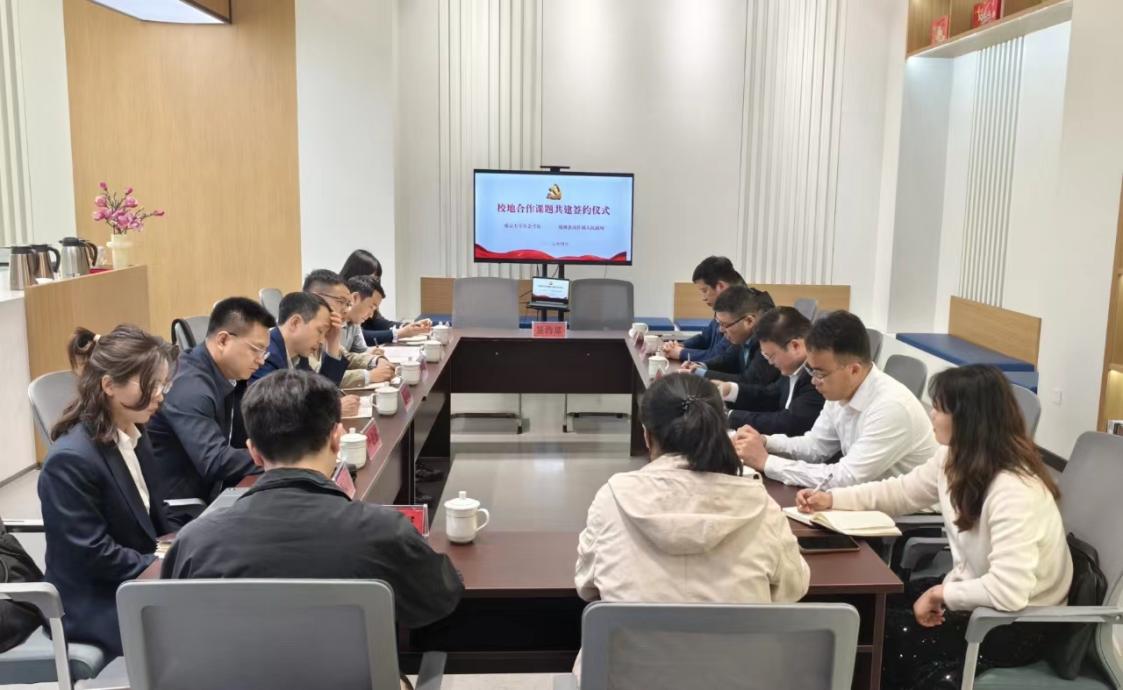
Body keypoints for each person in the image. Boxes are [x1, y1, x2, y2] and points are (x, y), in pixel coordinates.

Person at [795, 365, 1073, 689]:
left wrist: (941, 593)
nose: (931, 415)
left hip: (1015, 625)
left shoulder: (1013, 490)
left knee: (888, 637)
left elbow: (1009, 592)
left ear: (968, 420)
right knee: (867, 608)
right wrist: (832, 499)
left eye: (939, 408)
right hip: (975, 597)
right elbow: (900, 492)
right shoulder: (954, 458)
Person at [162, 369, 464, 630]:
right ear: (337, 438)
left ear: (253, 452)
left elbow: (172, 629)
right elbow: (439, 598)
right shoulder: (382, 531)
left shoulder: (194, 543)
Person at [575, 371, 809, 606]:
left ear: (647, 436)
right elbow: (793, 588)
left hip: (631, 632)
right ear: (720, 431)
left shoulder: (612, 498)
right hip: (738, 632)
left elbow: (586, 585)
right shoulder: (761, 505)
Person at [38, 325, 177, 656]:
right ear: (109, 385)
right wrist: (162, 563)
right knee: (201, 621)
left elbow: (155, 517)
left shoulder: (135, 433)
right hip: (92, 600)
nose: (160, 395)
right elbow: (92, 554)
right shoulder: (70, 461)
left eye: (163, 384)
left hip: (131, 578)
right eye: (151, 384)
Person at [733, 310, 938, 489]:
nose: (813, 381)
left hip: (909, 515)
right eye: (811, 371)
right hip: (867, 499)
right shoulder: (839, 392)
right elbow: (815, 447)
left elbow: (846, 477)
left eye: (820, 373)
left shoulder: (891, 407)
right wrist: (766, 441)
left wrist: (766, 462)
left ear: (854, 370)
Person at [148, 298, 275, 528]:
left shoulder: (230, 376)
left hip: (212, 496)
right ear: (223, 340)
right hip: (179, 511)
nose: (260, 360)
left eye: (264, 352)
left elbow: (246, 435)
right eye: (256, 349)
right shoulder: (190, 386)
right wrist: (282, 457)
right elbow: (214, 460)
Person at [721, 306, 824, 436]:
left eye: (771, 356)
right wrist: (730, 390)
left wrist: (729, 416)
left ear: (795, 346)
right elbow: (771, 395)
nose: (770, 362)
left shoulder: (819, 375)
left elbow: (790, 423)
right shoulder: (793, 367)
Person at [680, 285, 780, 390]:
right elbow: (727, 359)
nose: (720, 330)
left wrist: (700, 373)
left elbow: (749, 381)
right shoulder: (743, 335)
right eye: (719, 323)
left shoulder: (767, 341)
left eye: (724, 324)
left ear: (749, 321)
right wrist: (701, 366)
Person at [339, 249, 429, 345]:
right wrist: (399, 333)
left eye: (377, 279)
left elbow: (379, 323)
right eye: (372, 278)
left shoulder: (367, 299)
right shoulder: (340, 300)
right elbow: (360, 336)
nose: (375, 282)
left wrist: (409, 326)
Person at [662, 256, 743, 362]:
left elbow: (718, 356)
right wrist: (680, 346)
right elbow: (705, 338)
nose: (703, 298)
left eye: (705, 291)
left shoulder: (740, 311)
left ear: (720, 286)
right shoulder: (725, 304)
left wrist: (681, 353)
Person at [336, 275, 396, 388]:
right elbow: (322, 375)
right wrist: (369, 375)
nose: (371, 315)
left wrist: (375, 359)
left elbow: (349, 356)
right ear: (355, 298)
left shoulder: (354, 322)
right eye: (371, 307)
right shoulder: (327, 325)